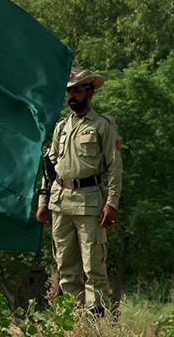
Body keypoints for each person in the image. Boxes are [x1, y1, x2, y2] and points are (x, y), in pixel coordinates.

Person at [36, 69, 122, 314]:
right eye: (69, 91)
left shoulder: (103, 125)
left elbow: (115, 168)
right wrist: (43, 200)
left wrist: (112, 202)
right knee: (66, 269)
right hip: (60, 202)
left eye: (77, 90)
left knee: (93, 268)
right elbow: (49, 167)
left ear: (89, 93)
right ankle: (75, 321)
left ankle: (95, 323)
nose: (72, 96)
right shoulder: (61, 127)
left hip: (89, 203)